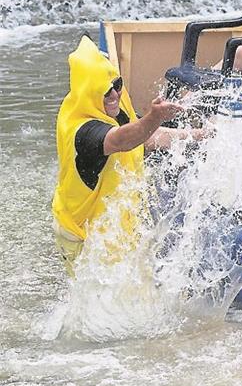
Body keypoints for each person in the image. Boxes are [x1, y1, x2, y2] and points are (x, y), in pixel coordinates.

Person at [52, 37, 192, 273]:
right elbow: (122, 140)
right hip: (81, 235)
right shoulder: (82, 131)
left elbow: (146, 137)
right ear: (91, 94)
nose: (116, 94)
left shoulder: (114, 106)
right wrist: (154, 117)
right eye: (107, 92)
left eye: (118, 84)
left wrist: (200, 134)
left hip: (113, 225)